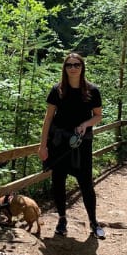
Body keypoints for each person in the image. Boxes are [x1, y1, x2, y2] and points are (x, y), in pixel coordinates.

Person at [38, 52, 105, 239]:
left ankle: (93, 222)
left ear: (82, 67)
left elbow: (98, 115)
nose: (73, 68)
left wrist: (85, 124)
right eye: (69, 65)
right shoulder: (57, 90)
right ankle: (61, 219)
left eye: (77, 64)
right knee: (58, 181)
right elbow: (48, 118)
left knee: (86, 184)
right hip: (58, 142)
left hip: (81, 144)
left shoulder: (92, 90)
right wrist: (43, 146)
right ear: (64, 68)